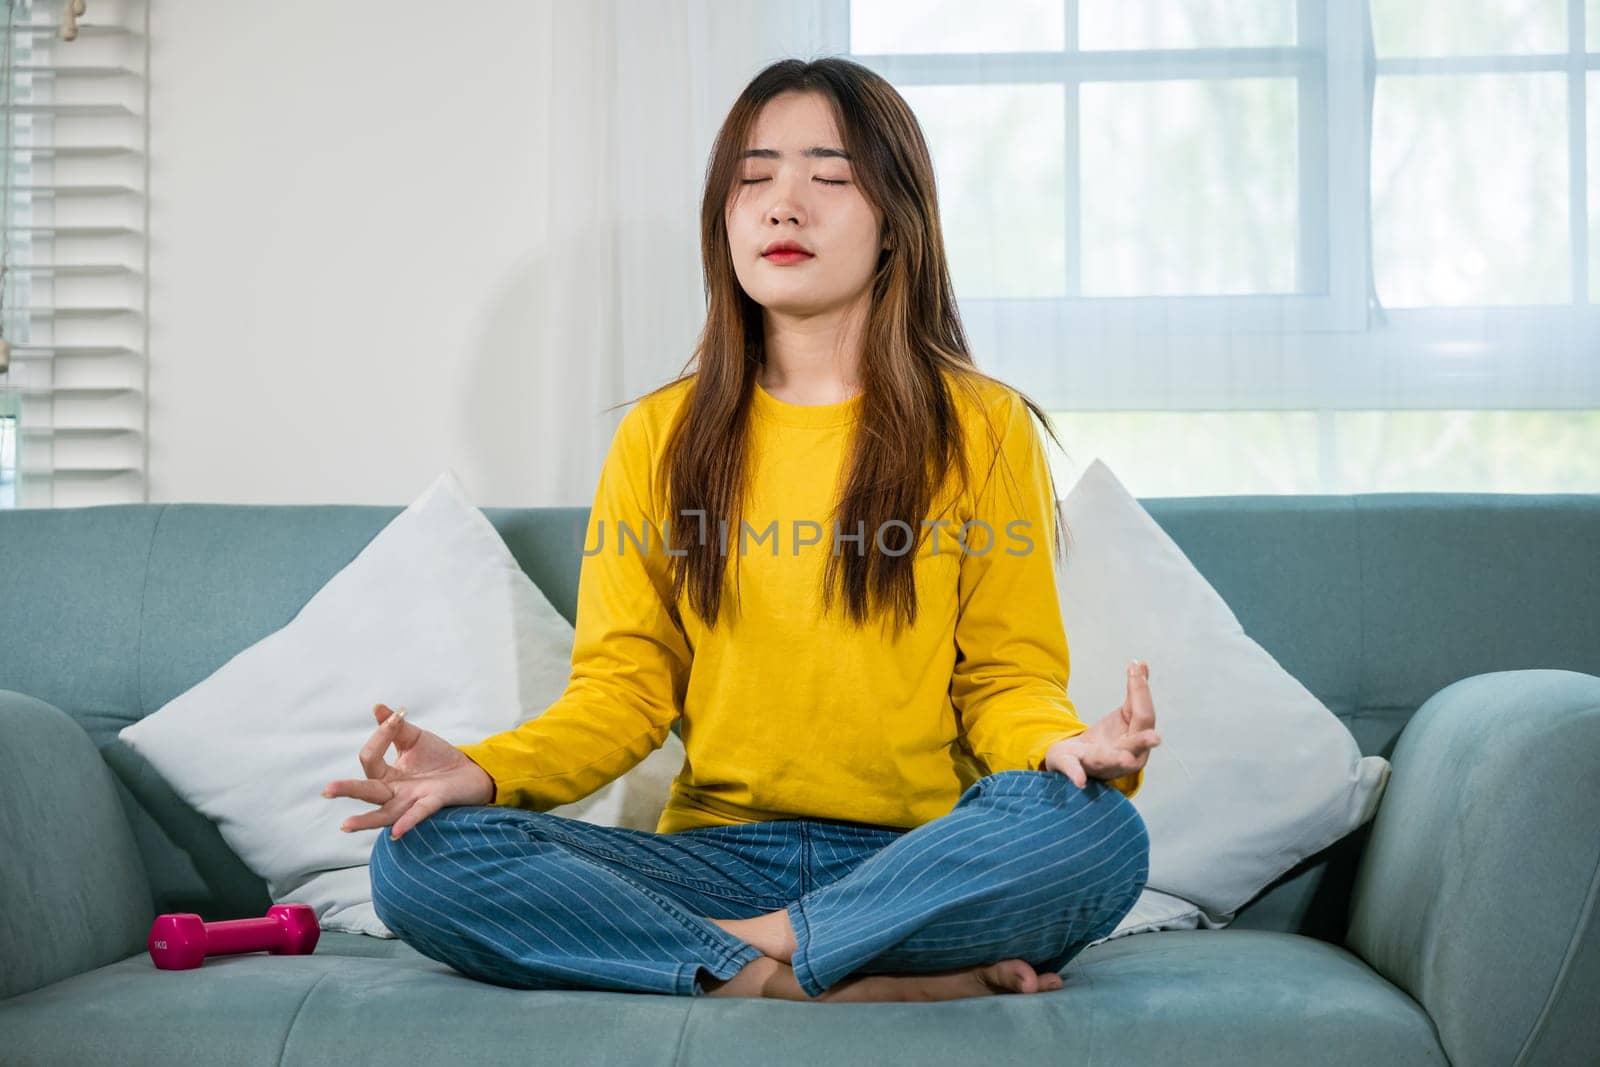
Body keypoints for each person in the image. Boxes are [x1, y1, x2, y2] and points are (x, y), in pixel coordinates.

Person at [323, 55, 1161, 1003]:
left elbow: (1006, 679)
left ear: (897, 221)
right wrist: (480, 769)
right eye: (754, 178)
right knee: (418, 857)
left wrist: (1063, 747)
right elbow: (623, 693)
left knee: (1096, 833)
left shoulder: (982, 425)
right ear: (723, 218)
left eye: (832, 177)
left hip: (919, 856)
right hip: (712, 859)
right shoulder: (657, 437)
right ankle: (853, 973)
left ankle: (738, 954)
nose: (783, 205)